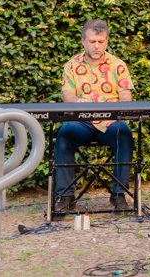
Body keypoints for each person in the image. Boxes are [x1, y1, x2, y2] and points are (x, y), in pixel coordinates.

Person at [54, 19, 135, 212]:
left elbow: (126, 97)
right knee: (64, 134)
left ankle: (119, 195)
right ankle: (65, 196)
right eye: (92, 41)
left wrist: (116, 107)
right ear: (83, 41)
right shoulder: (71, 65)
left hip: (110, 123)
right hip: (81, 122)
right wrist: (77, 102)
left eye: (101, 41)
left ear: (106, 41)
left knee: (124, 134)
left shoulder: (118, 65)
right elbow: (67, 96)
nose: (97, 46)